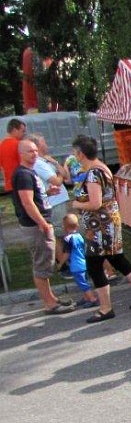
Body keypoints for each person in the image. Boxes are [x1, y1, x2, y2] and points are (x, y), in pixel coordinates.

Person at [70, 135, 131, 323]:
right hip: (108, 223)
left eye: (75, 153)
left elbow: (95, 203)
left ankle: (106, 308)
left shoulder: (93, 173)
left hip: (99, 227)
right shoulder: (102, 168)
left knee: (94, 265)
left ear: (81, 154)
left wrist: (77, 203)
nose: (74, 156)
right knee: (117, 259)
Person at [10, 139, 74, 315]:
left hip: (39, 223)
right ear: (21, 154)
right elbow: (27, 202)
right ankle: (49, 304)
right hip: (35, 226)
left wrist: (46, 193)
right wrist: (42, 223)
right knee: (41, 266)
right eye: (30, 151)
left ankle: (52, 298)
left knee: (45, 264)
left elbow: (32, 197)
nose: (34, 154)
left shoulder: (29, 172)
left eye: (35, 151)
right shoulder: (23, 174)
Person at [30, 133, 71, 270]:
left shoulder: (46, 161)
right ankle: (63, 264)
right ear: (37, 145)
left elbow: (65, 175)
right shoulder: (38, 163)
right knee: (60, 233)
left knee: (63, 231)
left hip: (59, 200)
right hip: (53, 202)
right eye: (44, 142)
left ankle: (66, 261)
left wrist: (55, 163)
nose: (46, 144)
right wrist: (59, 174)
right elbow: (57, 181)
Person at [60, 213, 99, 308]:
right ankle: (86, 298)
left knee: (82, 284)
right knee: (84, 281)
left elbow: (67, 253)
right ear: (77, 225)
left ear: (64, 227)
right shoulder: (79, 236)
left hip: (76, 265)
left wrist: (61, 263)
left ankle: (92, 299)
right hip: (83, 262)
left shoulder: (68, 239)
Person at [1, 118, 27, 192]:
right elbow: (25, 164)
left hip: (9, 184)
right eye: (23, 131)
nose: (24, 134)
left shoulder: (1, 145)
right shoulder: (19, 144)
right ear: (15, 130)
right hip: (22, 183)